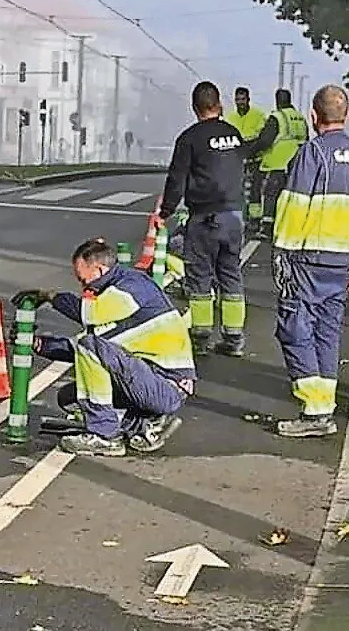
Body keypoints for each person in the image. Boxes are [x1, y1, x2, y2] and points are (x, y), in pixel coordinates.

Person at [271, 84, 349, 437]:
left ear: (313, 117)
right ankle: (324, 405)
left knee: (295, 328)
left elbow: (293, 205)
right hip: (343, 262)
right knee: (328, 334)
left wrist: (281, 255)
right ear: (347, 117)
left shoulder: (312, 153)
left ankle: (315, 411)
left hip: (308, 260)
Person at [34, 237, 196, 457]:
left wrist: (50, 296)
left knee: (88, 347)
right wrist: (39, 344)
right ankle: (142, 423)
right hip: (153, 379)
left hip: (167, 385)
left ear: (100, 270)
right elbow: (92, 342)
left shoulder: (128, 290)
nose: (83, 285)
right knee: (70, 397)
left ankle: (105, 436)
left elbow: (87, 317)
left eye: (83, 278)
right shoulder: (124, 286)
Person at [159, 80, 247, 356]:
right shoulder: (234, 135)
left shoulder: (189, 138)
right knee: (231, 275)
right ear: (219, 104)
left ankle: (200, 337)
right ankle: (233, 339)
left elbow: (177, 179)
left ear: (194, 107)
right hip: (234, 216)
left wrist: (165, 212)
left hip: (204, 217)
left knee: (200, 278)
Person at [253, 88, 310, 233]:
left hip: (277, 163)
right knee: (292, 198)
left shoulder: (277, 117)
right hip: (297, 166)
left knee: (271, 195)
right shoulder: (300, 118)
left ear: (277, 101)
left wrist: (252, 151)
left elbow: (265, 141)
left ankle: (267, 228)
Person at [230, 86, 270, 233]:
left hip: (255, 158)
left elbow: (260, 137)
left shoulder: (258, 115)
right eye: (238, 99)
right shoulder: (231, 117)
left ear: (248, 100)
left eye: (243, 99)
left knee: (255, 191)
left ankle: (254, 221)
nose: (240, 102)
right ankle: (238, 218)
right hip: (238, 159)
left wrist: (250, 148)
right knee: (237, 190)